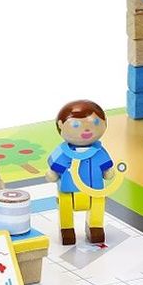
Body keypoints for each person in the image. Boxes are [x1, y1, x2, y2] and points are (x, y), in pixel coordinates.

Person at [46, 99, 114, 244]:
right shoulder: (63, 152)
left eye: (95, 122)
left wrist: (108, 171)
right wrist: (53, 174)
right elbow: (54, 169)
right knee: (65, 206)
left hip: (94, 189)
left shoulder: (98, 151)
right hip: (69, 189)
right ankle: (67, 229)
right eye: (76, 125)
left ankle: (95, 227)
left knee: (98, 204)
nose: (87, 129)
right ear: (60, 125)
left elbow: (106, 167)